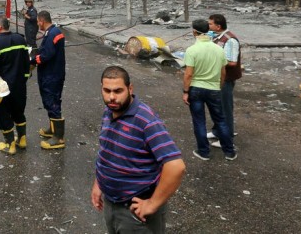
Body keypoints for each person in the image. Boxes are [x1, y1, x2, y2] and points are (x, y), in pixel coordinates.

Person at [92, 65, 186, 233]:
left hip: (135, 213)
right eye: (107, 91)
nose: (112, 97)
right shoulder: (109, 112)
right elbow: (107, 150)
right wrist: (99, 182)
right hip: (111, 204)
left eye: (118, 91)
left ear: (130, 88)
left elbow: (175, 166)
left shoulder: (145, 120)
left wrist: (152, 204)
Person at [183, 19, 236, 161]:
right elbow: (223, 72)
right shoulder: (218, 49)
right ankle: (229, 152)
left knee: (199, 121)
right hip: (214, 89)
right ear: (208, 31)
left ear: (194, 32)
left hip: (196, 89)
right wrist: (219, 86)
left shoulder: (191, 50)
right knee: (220, 120)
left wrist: (185, 92)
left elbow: (188, 74)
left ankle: (203, 152)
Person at [0, 15, 31, 155]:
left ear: (0, 27)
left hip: (3, 89)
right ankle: (22, 140)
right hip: (19, 85)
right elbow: (26, 63)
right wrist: (24, 79)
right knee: (18, 112)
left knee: (4, 115)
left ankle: (10, 145)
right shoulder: (20, 39)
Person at [32, 10, 66, 150]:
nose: (37, 24)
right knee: (49, 101)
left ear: (42, 21)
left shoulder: (53, 33)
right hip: (50, 73)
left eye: (38, 22)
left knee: (53, 103)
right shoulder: (52, 32)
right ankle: (53, 129)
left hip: (52, 75)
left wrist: (32, 61)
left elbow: (46, 54)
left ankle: (58, 138)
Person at [207, 13, 241, 146]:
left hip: (226, 78)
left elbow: (232, 62)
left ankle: (227, 139)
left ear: (218, 26)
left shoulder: (230, 40)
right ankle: (217, 131)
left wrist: (213, 61)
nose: (208, 25)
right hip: (216, 77)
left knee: (225, 107)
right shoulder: (216, 37)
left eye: (210, 24)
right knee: (216, 105)